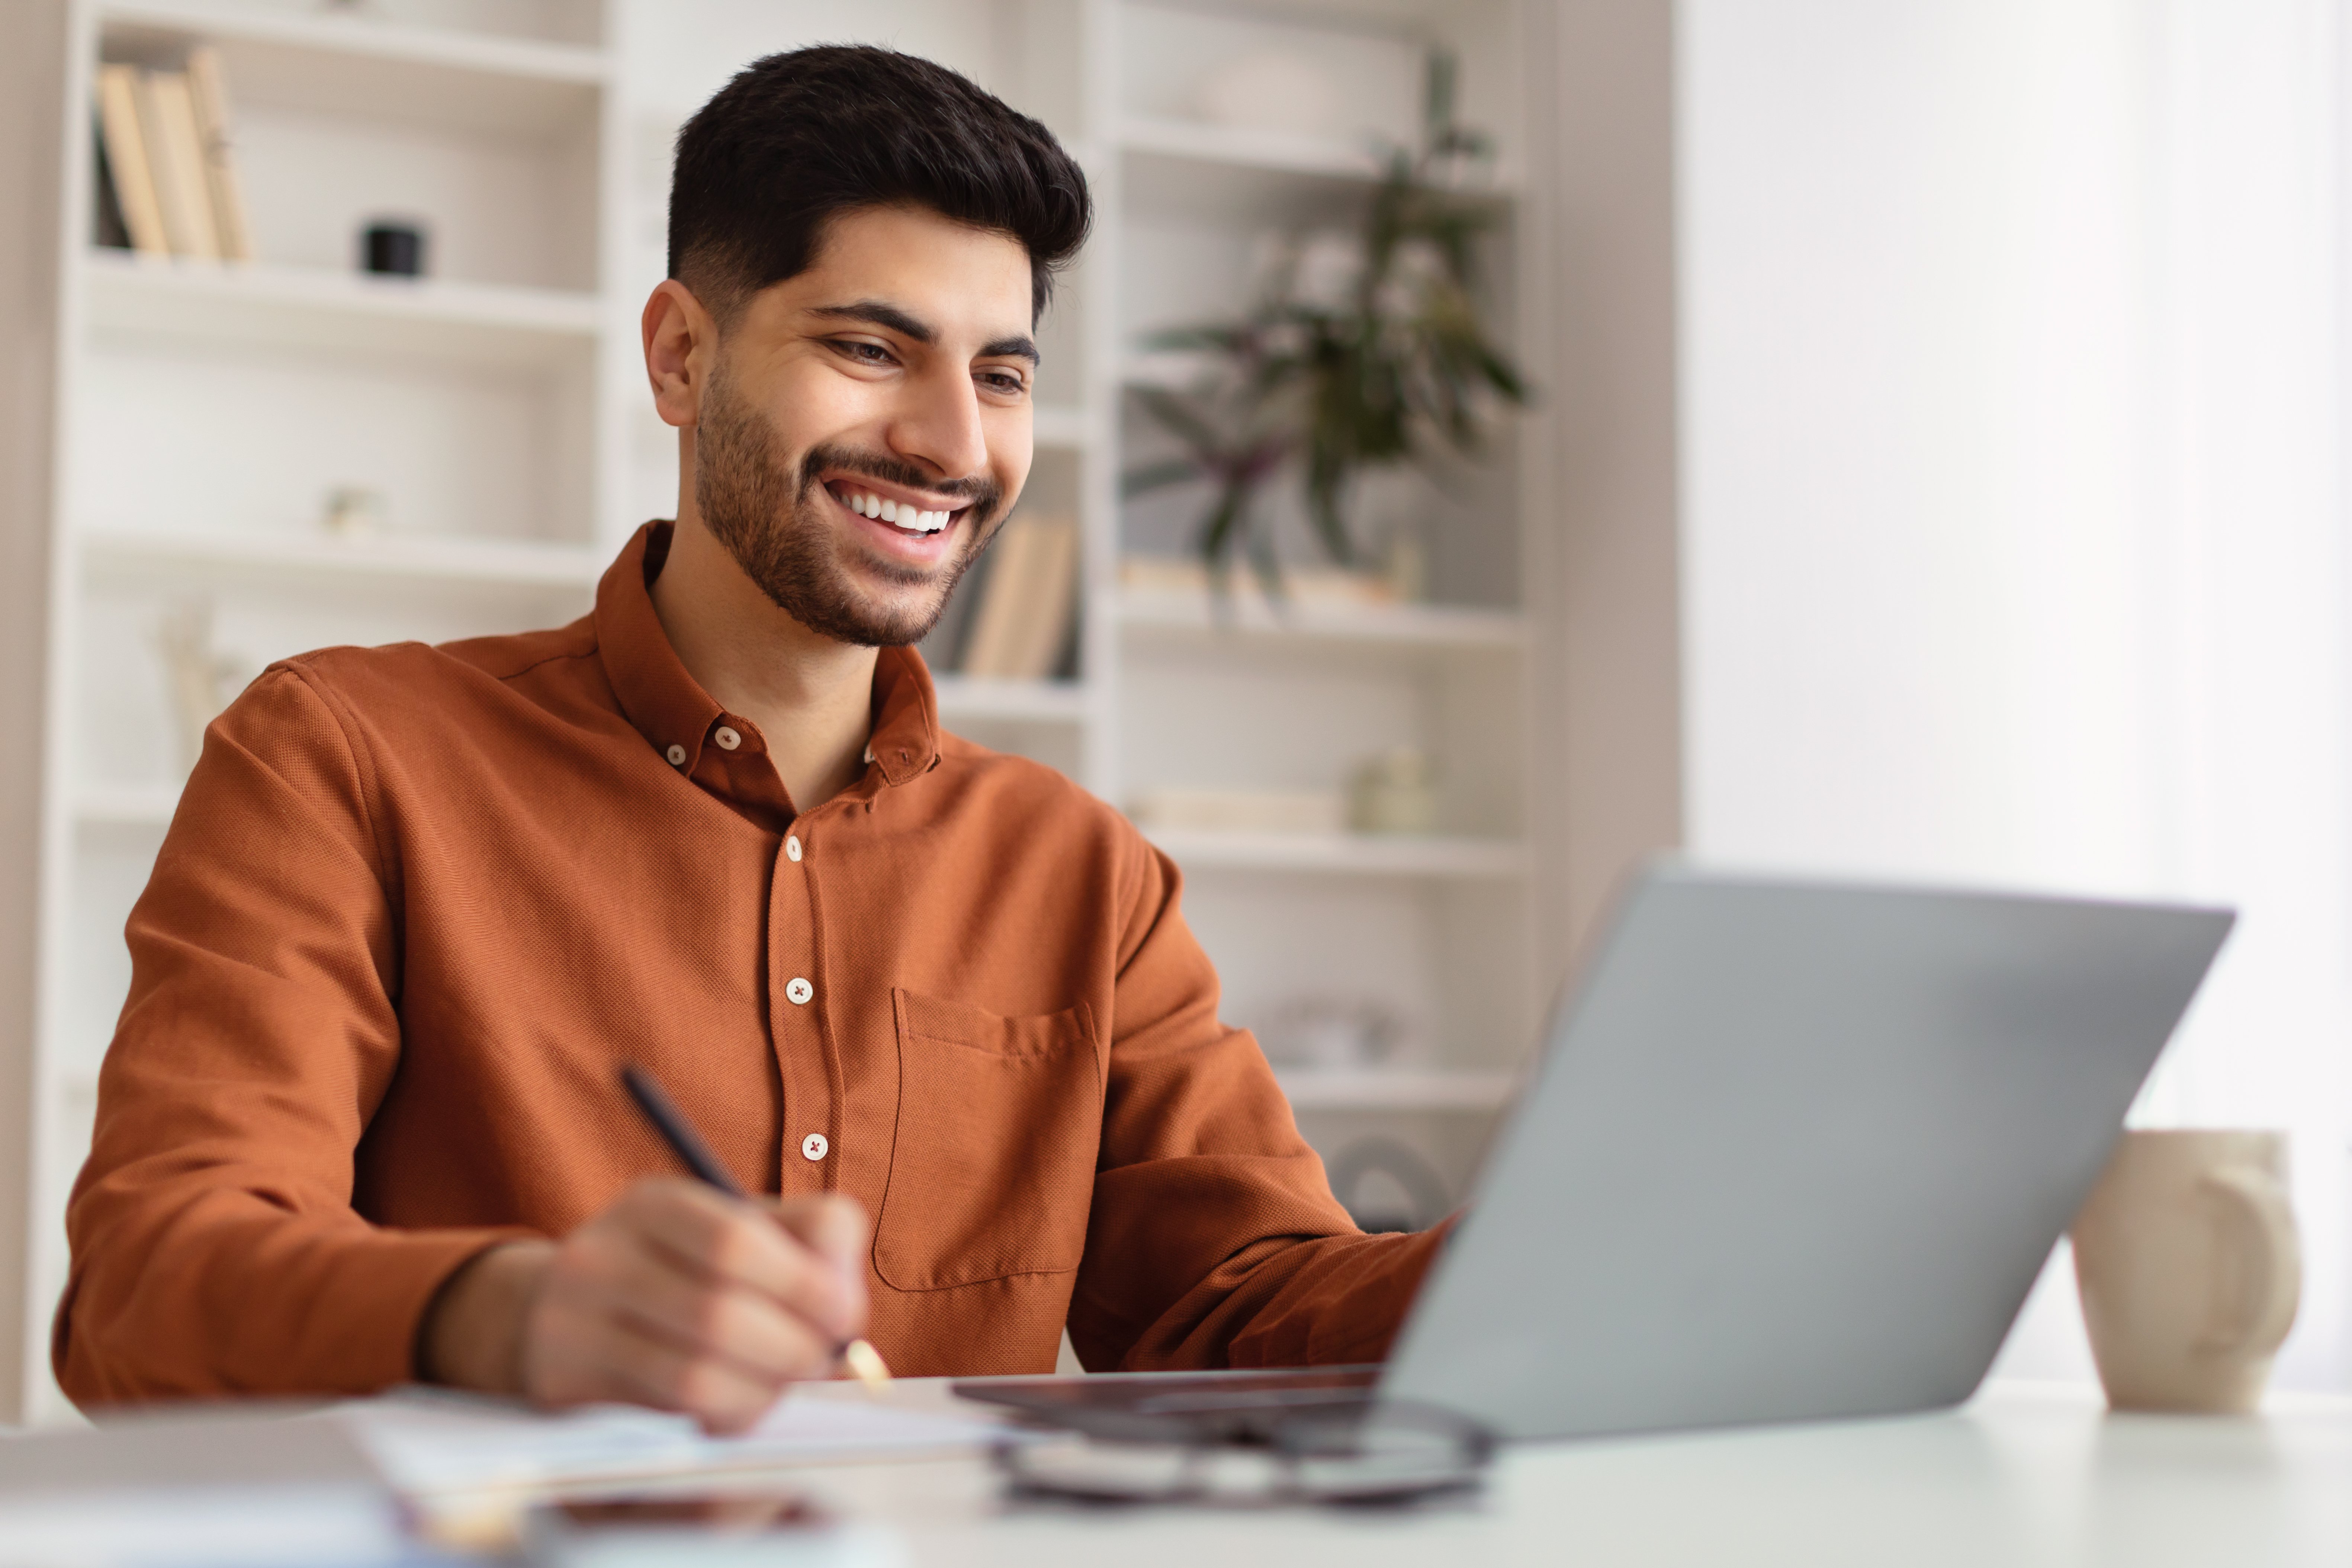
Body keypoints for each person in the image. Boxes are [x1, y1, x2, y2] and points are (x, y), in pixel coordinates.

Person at [54, 45, 1446, 1433]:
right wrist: (508, 1314)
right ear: (680, 355)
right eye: (868, 348)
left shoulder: (1087, 874)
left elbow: (1245, 1307)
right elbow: (146, 1294)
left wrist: (1577, 1262)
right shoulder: (344, 755)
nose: (953, 442)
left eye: (1003, 375)